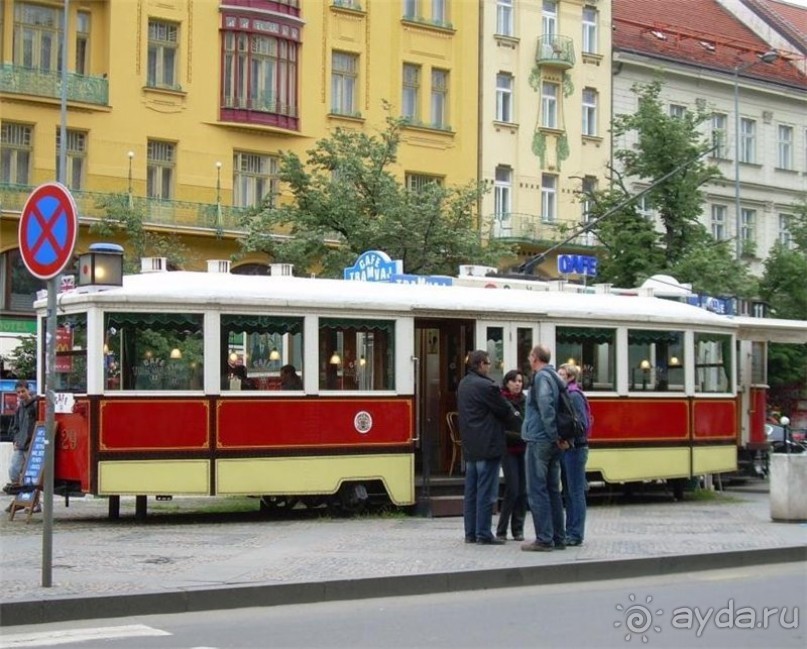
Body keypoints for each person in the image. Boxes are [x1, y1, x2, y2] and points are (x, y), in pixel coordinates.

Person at [458, 350, 520, 545]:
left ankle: (471, 533)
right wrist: (519, 422)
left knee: (471, 492)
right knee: (486, 492)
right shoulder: (487, 386)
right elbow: (504, 410)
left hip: (471, 446)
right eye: (488, 363)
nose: (490, 366)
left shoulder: (464, 384)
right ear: (481, 365)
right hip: (488, 444)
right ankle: (484, 533)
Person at [521, 344, 567, 551]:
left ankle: (544, 538)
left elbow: (545, 406)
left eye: (531, 356)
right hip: (552, 441)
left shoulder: (541, 378)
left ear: (535, 358)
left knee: (537, 490)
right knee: (553, 490)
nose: (529, 360)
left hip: (540, 439)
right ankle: (559, 536)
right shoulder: (557, 378)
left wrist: (553, 434)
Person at [558, 363, 591, 547]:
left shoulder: (574, 395)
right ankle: (570, 530)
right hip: (569, 448)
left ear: (570, 377)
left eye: (562, 374)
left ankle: (576, 533)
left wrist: (567, 437)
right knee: (570, 491)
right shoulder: (566, 394)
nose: (559, 377)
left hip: (576, 448)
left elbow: (582, 424)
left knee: (576, 491)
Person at [496, 369, 527, 541]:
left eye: (520, 381)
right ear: (507, 382)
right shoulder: (502, 401)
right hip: (508, 450)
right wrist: (520, 436)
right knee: (512, 489)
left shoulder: (525, 401)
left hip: (523, 450)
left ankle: (518, 528)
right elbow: (500, 429)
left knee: (523, 490)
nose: (517, 384)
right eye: (514, 381)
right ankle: (502, 530)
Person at [3, 380, 38, 496]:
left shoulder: (35, 405)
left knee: (31, 475)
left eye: (23, 391)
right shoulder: (20, 408)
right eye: (18, 392)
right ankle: (20, 498)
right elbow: (15, 426)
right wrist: (15, 440)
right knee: (14, 471)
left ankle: (32, 502)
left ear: (28, 390)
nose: (21, 394)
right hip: (20, 445)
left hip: (31, 446)